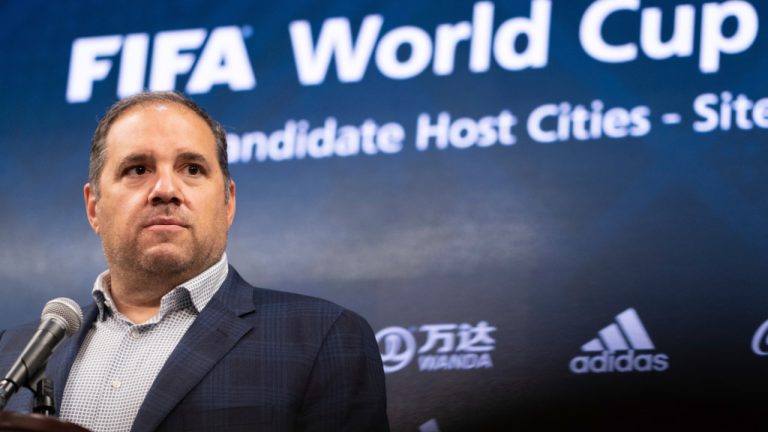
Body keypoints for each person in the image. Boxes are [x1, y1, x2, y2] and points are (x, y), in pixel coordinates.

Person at [0, 91, 389, 431]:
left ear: (228, 202)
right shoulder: (12, 351)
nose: (166, 190)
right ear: (93, 207)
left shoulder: (323, 337)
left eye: (192, 169)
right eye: (138, 169)